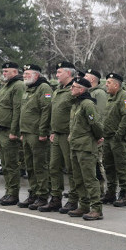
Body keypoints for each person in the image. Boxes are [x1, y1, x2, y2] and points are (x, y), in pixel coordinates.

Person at [41, 62, 77, 213]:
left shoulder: (74, 90)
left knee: (71, 168)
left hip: (69, 135)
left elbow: (76, 113)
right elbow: (54, 112)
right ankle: (56, 198)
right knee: (54, 167)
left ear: (69, 74)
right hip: (56, 134)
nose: (56, 75)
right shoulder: (57, 90)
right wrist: (52, 130)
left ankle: (74, 199)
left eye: (59, 72)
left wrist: (72, 132)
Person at [67, 76, 105, 220]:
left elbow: (95, 123)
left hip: (86, 146)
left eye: (74, 87)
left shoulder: (87, 104)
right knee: (78, 178)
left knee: (89, 178)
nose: (71, 89)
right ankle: (83, 205)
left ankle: (96, 208)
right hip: (75, 145)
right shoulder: (77, 104)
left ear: (82, 89)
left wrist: (98, 136)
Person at [20, 65, 53, 208]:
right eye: (24, 73)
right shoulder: (28, 89)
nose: (24, 76)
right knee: (30, 166)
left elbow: (46, 110)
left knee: (40, 165)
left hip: (36, 133)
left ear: (36, 75)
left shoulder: (44, 88)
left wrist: (43, 132)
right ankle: (33, 192)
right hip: (27, 132)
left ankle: (43, 194)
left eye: (28, 73)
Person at [0, 61, 25, 205]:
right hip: (1, 130)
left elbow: (17, 109)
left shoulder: (18, 85)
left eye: (7, 71)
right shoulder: (6, 85)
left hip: (9, 131)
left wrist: (14, 131)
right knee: (5, 164)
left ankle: (13, 194)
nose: (4, 73)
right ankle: (8, 192)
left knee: (11, 164)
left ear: (15, 72)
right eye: (3, 71)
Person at [101, 72, 126, 208]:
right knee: (108, 166)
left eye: (108, 83)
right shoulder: (110, 97)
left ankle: (124, 194)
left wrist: (119, 135)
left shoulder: (124, 97)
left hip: (117, 139)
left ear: (116, 84)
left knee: (121, 167)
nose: (105, 85)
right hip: (108, 138)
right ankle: (111, 192)